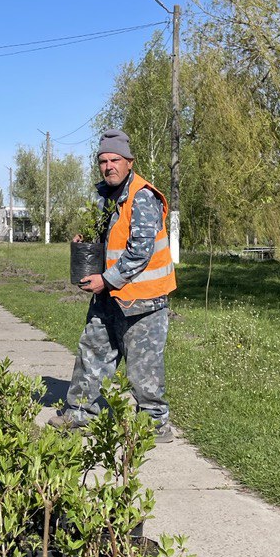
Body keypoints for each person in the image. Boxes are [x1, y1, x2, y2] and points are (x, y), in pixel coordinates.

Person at [50, 129, 176, 442]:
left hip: (143, 300)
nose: (109, 166)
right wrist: (89, 243)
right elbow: (114, 239)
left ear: (129, 162)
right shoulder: (108, 197)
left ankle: (155, 425)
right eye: (103, 161)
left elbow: (139, 251)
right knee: (91, 352)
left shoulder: (142, 197)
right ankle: (79, 412)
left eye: (115, 160)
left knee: (143, 368)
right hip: (111, 296)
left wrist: (105, 280)